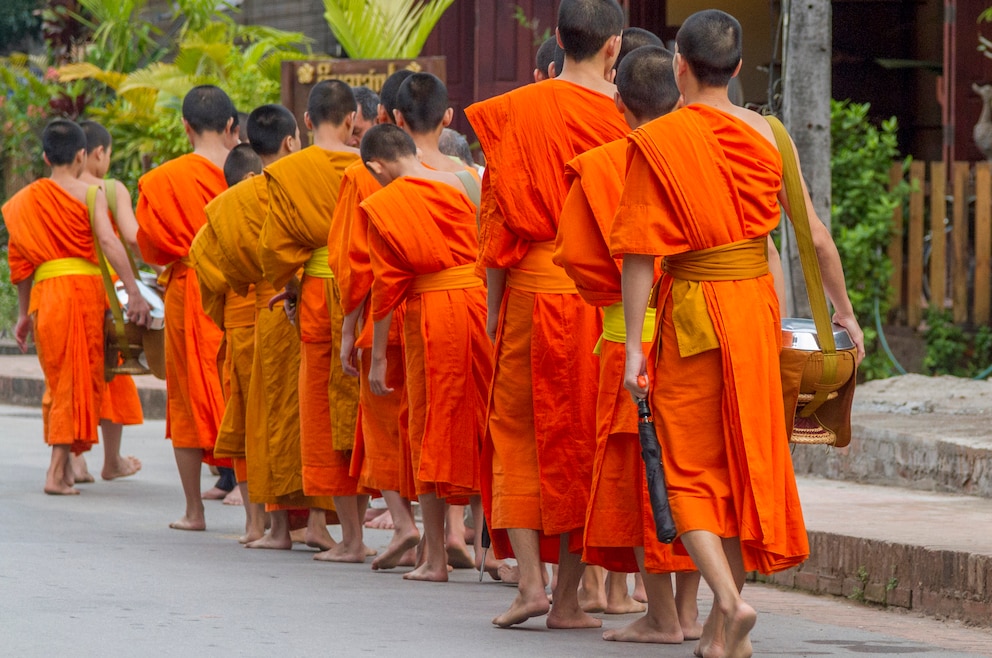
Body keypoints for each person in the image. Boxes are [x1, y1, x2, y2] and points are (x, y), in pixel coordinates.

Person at [612, 11, 865, 658]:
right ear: (739, 68)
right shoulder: (771, 134)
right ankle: (723, 639)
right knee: (743, 458)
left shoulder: (662, 140)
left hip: (694, 308)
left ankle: (729, 602)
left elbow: (640, 252)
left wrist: (635, 347)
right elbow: (812, 234)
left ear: (681, 67)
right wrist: (844, 314)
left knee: (685, 465)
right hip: (756, 313)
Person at [464, 0, 631, 629]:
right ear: (615, 46)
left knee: (518, 436)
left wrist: (494, 314)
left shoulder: (516, 113)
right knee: (583, 440)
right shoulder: (627, 118)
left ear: (558, 39)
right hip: (600, 301)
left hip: (530, 293)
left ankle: (530, 585)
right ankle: (567, 601)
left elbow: (497, 227)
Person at [555, 44, 703, 643]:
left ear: (619, 102)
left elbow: (579, 260)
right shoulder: (714, 153)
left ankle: (662, 615)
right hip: (703, 330)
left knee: (645, 474)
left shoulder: (605, 164)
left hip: (631, 336)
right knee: (694, 468)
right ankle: (689, 612)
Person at [361, 123, 492, 582]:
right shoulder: (471, 180)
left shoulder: (387, 203)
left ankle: (435, 557)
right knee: (484, 422)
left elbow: (385, 287)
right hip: (478, 307)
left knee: (429, 428)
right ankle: (491, 550)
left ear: (377, 166)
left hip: (433, 318)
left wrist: (378, 358)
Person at [215, 104, 340, 552]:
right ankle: (321, 524)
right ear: (291, 140)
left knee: (271, 420)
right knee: (314, 414)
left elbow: (216, 267)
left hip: (263, 311)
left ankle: (278, 529)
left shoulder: (235, 200)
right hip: (309, 299)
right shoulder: (309, 178)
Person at [3, 119, 150, 495]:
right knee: (73, 382)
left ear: (45, 156)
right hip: (81, 295)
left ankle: (67, 469)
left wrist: (22, 315)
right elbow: (110, 242)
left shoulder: (25, 200)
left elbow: (20, 264)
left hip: (45, 296)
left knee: (59, 382)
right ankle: (56, 472)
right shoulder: (90, 195)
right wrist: (133, 291)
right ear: (83, 155)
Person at [258, 80, 369, 563]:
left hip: (321, 294)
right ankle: (373, 529)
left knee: (322, 411)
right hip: (367, 293)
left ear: (305, 122)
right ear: (353, 121)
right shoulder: (370, 166)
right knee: (366, 406)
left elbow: (274, 252)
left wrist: (295, 281)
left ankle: (350, 537)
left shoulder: (288, 171)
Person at [329, 69, 420, 570]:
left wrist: (348, 330)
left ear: (386, 118)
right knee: (429, 423)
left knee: (383, 424)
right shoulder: (454, 171)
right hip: (441, 313)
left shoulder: (365, 174)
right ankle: (449, 532)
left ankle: (404, 523)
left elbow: (356, 262)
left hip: (383, 317)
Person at [135, 84, 235, 530]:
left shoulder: (163, 180)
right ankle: (257, 517)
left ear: (185, 126)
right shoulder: (247, 171)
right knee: (241, 390)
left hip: (187, 286)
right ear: (233, 125)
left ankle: (194, 511)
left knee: (187, 399)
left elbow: (150, 246)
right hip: (236, 287)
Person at [188, 143, 266, 542]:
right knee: (278, 423)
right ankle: (290, 521)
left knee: (244, 425)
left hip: (239, 330)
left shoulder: (215, 222)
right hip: (274, 324)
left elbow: (209, 281)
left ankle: (255, 523)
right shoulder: (272, 204)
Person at [75, 120, 144, 483]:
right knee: (113, 376)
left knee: (73, 374)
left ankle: (73, 460)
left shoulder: (54, 190)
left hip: (67, 292)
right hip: (106, 293)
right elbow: (131, 237)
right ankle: (111, 459)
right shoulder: (110, 188)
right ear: (98, 152)